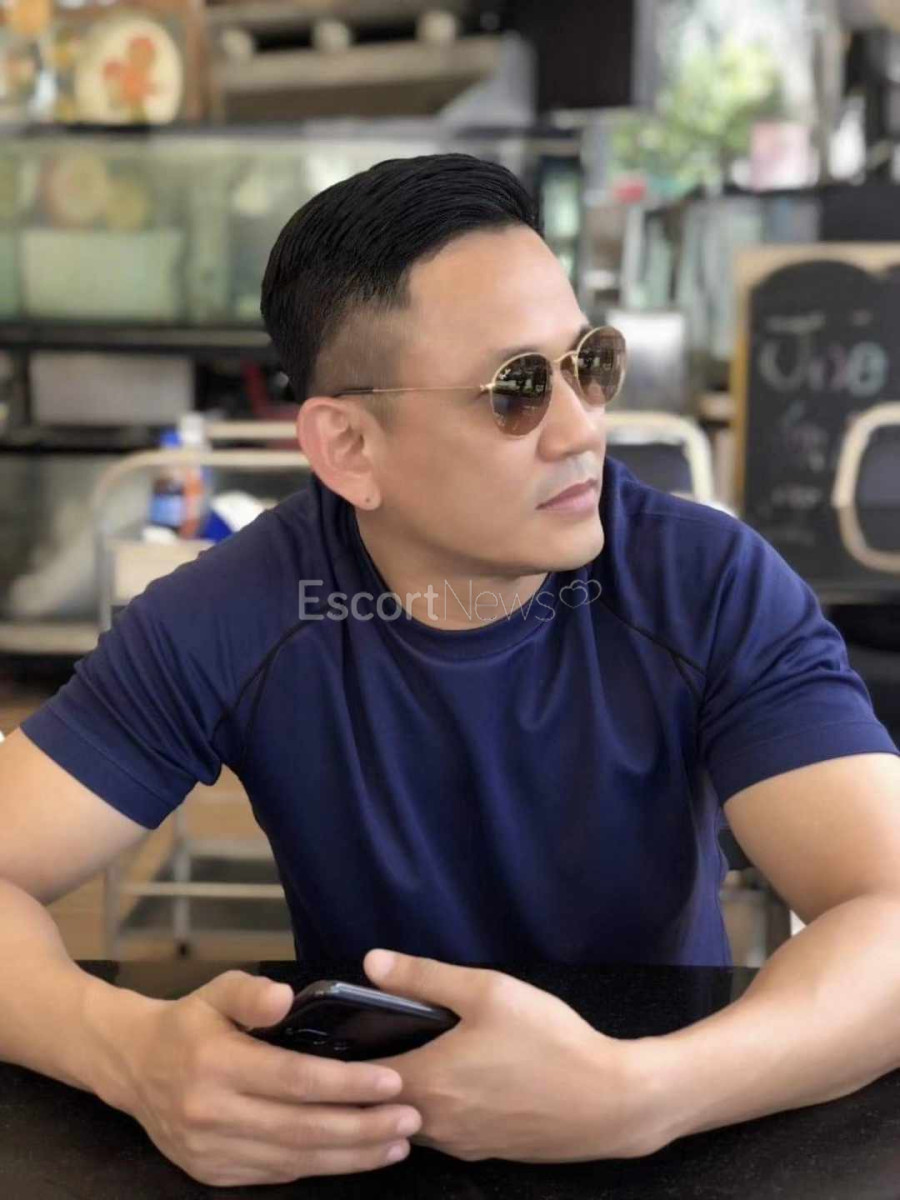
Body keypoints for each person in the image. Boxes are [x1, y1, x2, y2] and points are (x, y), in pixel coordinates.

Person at [1, 153, 900, 1188]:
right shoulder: (236, 614)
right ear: (350, 448)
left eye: (588, 364)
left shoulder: (709, 586)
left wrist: (639, 1093)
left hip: (681, 1129)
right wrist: (127, 1054)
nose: (581, 427)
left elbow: (886, 906)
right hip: (366, 1138)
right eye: (516, 389)